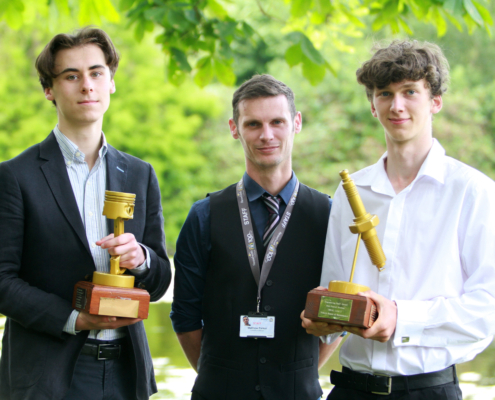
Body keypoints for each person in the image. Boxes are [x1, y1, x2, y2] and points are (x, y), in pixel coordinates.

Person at [301, 40, 495, 400]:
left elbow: (487, 311)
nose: (397, 105)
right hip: (349, 390)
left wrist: (399, 318)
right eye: (385, 94)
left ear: (435, 101)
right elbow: (333, 285)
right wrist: (323, 320)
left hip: (428, 391)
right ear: (373, 107)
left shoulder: (474, 192)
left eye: (410, 91)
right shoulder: (351, 190)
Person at [0, 27, 171, 400]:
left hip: (128, 374)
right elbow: (1, 281)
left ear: (111, 83)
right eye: (71, 76)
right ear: (49, 89)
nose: (86, 85)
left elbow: (159, 280)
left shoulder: (140, 174)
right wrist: (75, 318)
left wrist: (141, 258)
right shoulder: (14, 176)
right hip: (47, 378)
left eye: (96, 73)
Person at [171, 74, 341, 400]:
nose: (266, 135)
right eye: (253, 124)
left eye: (277, 122)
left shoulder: (329, 215)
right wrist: (219, 373)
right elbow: (185, 315)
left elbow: (339, 314)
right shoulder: (203, 215)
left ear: (297, 123)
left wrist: (299, 371)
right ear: (234, 129)